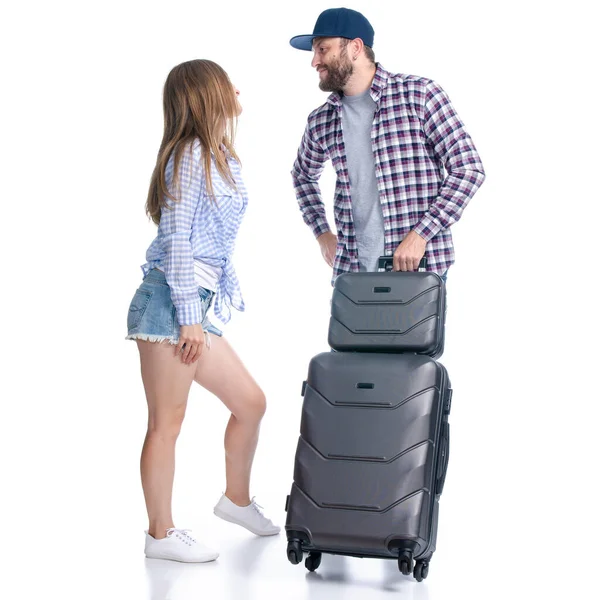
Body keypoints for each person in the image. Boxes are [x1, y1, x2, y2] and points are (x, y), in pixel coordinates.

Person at [125, 59, 280, 564]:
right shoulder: (191, 154)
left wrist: (211, 304)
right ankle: (160, 534)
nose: (237, 87)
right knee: (166, 423)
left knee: (251, 403)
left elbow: (215, 244)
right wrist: (190, 316)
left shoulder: (219, 155)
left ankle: (235, 500)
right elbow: (177, 242)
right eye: (226, 80)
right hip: (172, 305)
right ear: (206, 94)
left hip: (194, 305)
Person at [289, 8, 485, 282]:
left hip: (417, 269)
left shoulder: (419, 95)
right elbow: (302, 176)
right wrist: (322, 234)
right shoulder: (322, 119)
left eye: (323, 49)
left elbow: (468, 169)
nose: (314, 61)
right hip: (352, 273)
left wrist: (421, 235)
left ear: (355, 47)